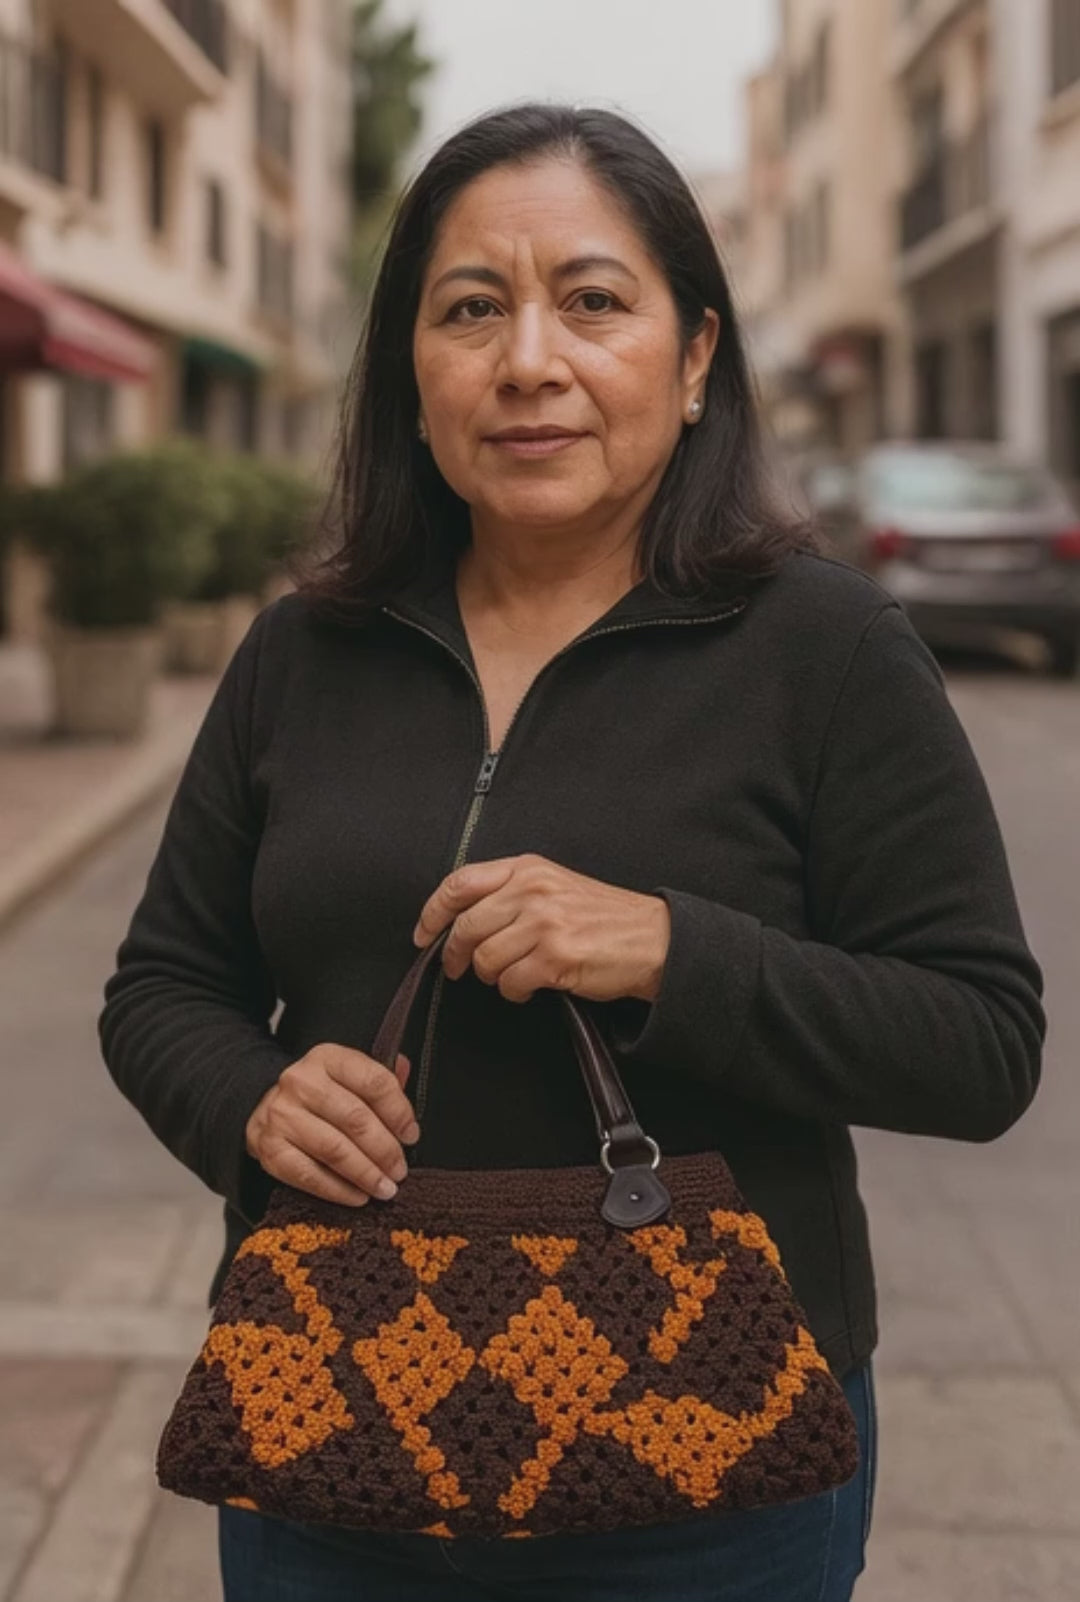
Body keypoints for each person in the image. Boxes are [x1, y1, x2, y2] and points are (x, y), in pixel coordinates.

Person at [99, 104, 1044, 1602]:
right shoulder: (304, 652)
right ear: (411, 374)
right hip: (332, 1429)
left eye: (594, 301)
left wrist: (674, 950)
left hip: (717, 1465)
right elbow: (162, 985)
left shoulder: (829, 652)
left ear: (694, 358)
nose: (529, 359)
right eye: (472, 309)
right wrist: (250, 1099)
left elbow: (981, 1042)